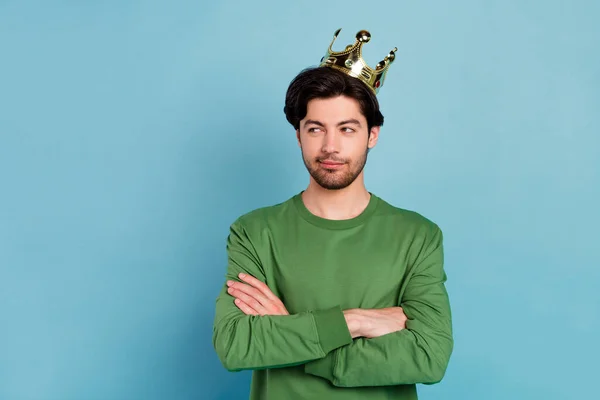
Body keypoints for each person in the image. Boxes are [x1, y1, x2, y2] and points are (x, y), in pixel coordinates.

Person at [212, 29, 453, 400]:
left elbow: (428, 356)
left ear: (372, 135)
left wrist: (288, 335)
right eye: (315, 129)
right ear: (298, 136)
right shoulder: (254, 232)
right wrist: (355, 321)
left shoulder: (418, 235)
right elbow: (236, 345)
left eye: (346, 129)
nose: (330, 146)